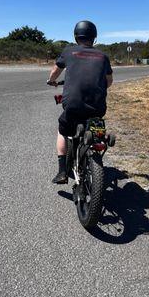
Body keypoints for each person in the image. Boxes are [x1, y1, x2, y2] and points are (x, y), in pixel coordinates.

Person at [47, 20, 113, 184]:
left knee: (62, 130)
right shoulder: (103, 56)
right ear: (94, 38)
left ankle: (62, 171)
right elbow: (109, 81)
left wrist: (51, 80)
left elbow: (56, 70)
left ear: (76, 36)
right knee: (95, 125)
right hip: (98, 107)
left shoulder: (69, 51)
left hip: (74, 104)